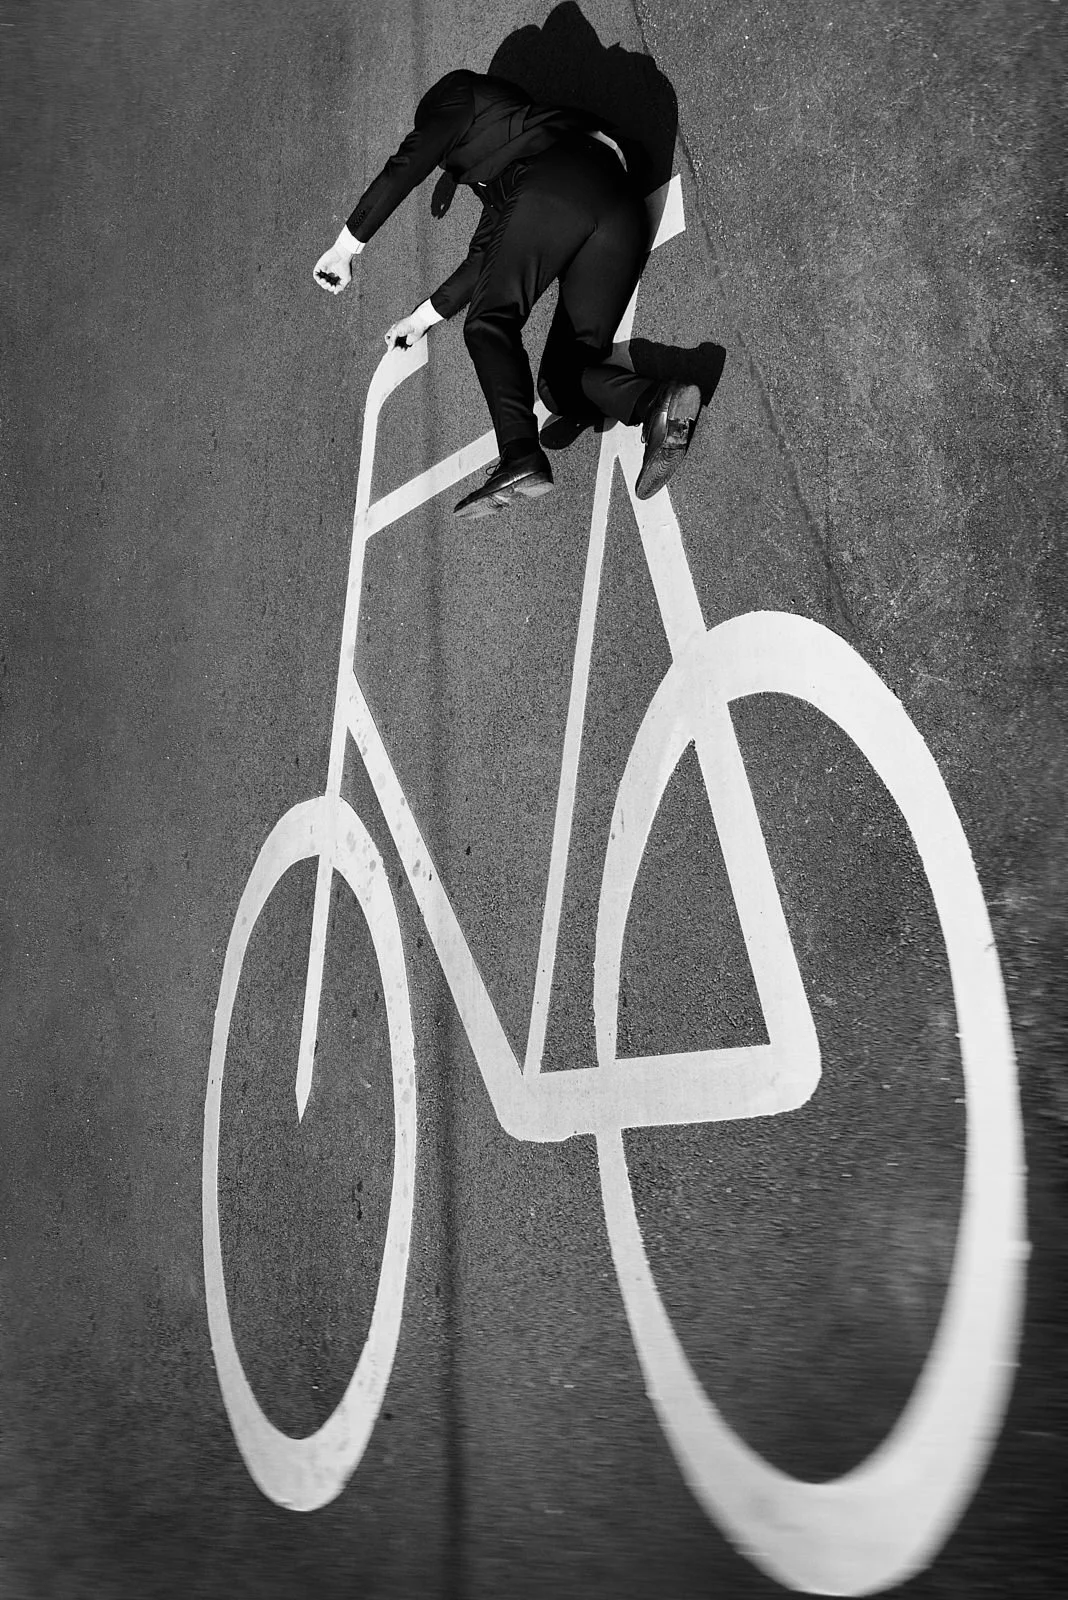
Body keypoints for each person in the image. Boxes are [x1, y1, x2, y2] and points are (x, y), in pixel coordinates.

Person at [314, 69, 702, 518]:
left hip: (568, 173)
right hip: (619, 214)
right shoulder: (505, 174)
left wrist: (346, 247)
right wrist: (421, 319)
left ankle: (519, 454)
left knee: (489, 322)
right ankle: (657, 404)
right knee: (561, 384)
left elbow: (408, 162)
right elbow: (483, 257)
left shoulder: (460, 97)